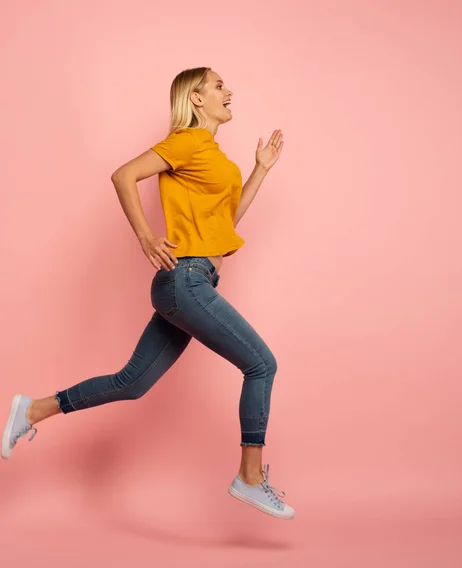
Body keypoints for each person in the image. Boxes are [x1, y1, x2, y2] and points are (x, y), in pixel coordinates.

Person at [1, 67, 295, 520]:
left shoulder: (211, 154)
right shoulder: (186, 141)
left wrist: (260, 170)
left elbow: (226, 222)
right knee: (261, 364)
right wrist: (144, 236)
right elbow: (124, 175)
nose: (228, 91)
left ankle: (34, 409)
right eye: (218, 85)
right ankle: (250, 477)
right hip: (186, 279)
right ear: (196, 99)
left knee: (131, 384)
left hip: (190, 284)